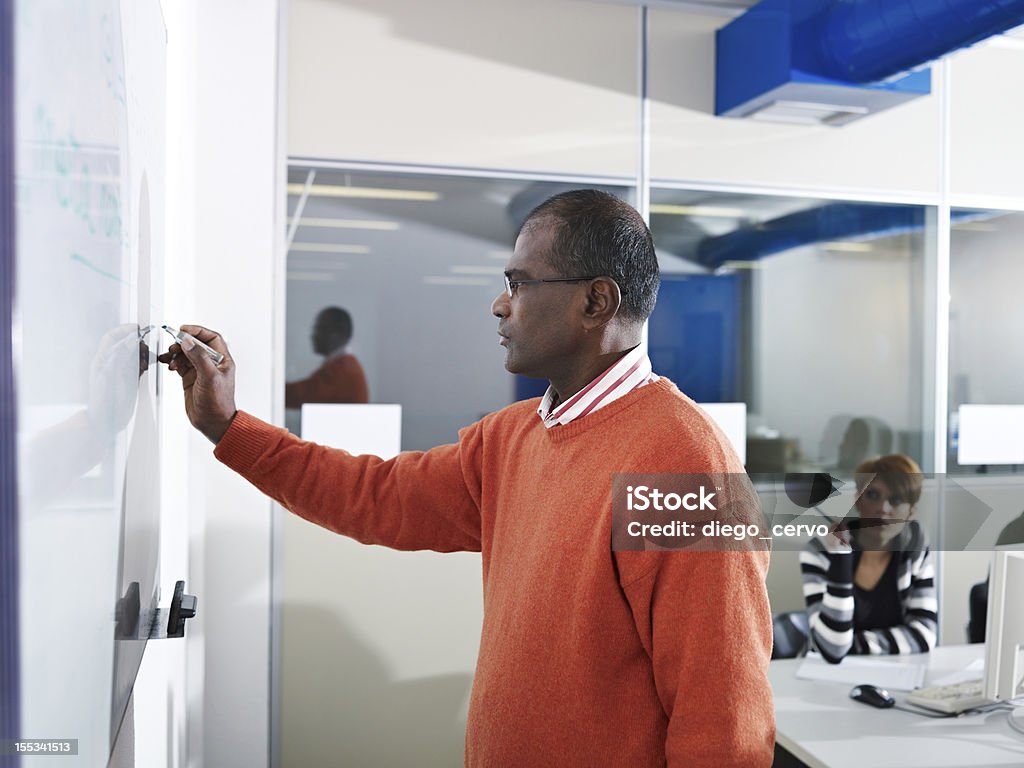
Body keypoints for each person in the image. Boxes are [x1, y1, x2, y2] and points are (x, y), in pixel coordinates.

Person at [160, 189, 774, 766]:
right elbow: (372, 497)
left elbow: (725, 721)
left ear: (596, 302)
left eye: (519, 283)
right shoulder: (510, 438)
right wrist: (227, 426)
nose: (500, 303)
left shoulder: (687, 466)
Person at [800, 454, 938, 663]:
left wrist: (853, 646)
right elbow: (832, 648)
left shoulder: (915, 546)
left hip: (896, 671)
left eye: (896, 499)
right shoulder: (819, 551)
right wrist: (840, 559)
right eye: (873, 495)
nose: (883, 508)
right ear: (857, 500)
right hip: (824, 675)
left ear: (911, 511)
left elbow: (924, 634)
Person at [285, 306, 368, 407]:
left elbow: (304, 395)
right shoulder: (344, 365)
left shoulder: (343, 369)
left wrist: (271, 385)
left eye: (319, 329)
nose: (313, 336)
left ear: (336, 333)